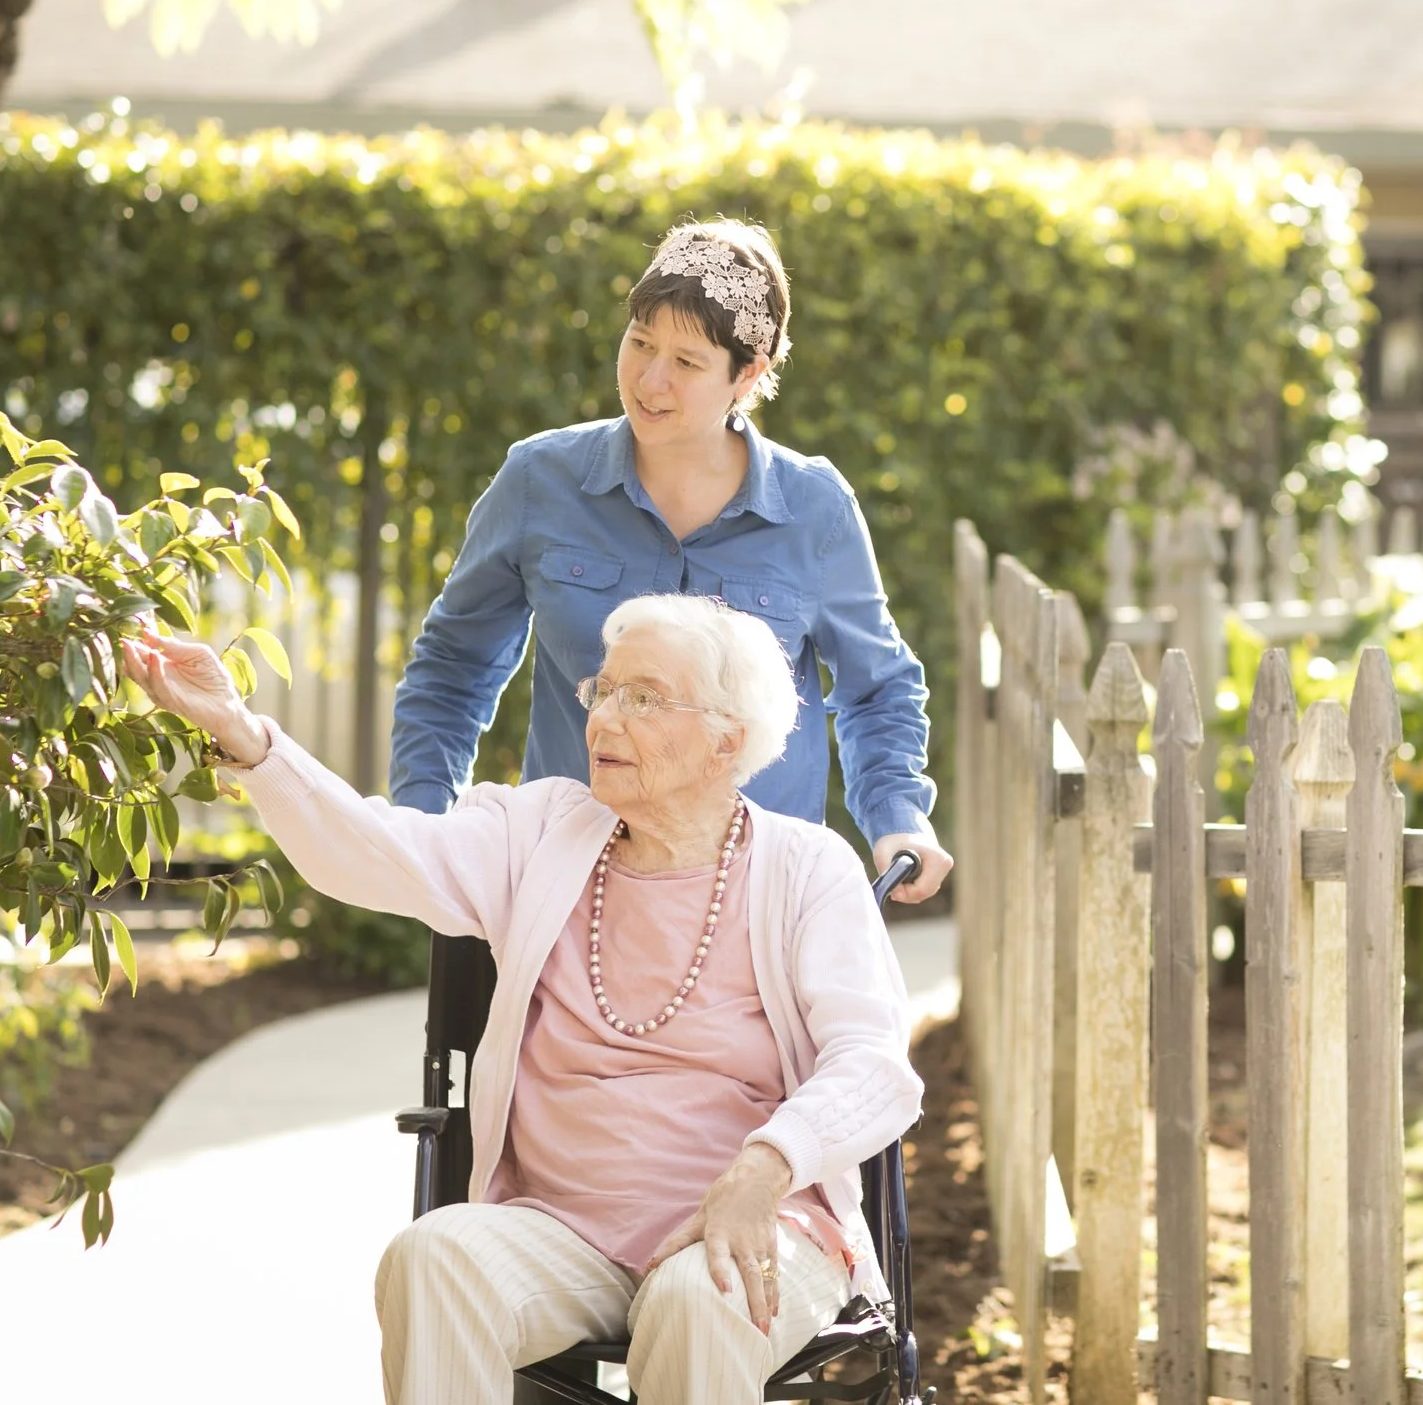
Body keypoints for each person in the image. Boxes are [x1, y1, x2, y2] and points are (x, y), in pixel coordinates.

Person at [121, 594, 921, 1405]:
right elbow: (372, 850)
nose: (605, 719)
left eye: (643, 698)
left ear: (728, 740)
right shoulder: (541, 832)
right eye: (602, 690)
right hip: (561, 1230)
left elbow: (873, 1064)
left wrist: (765, 1167)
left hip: (753, 1223)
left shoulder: (806, 869)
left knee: (700, 1298)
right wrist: (240, 732)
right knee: (433, 1258)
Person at [388, 219, 951, 901]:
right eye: (640, 342)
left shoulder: (816, 510)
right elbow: (454, 666)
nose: (651, 380)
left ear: (748, 373)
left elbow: (877, 688)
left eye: (687, 362)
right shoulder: (539, 481)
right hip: (567, 890)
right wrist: (424, 821)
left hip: (756, 902)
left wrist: (898, 817)